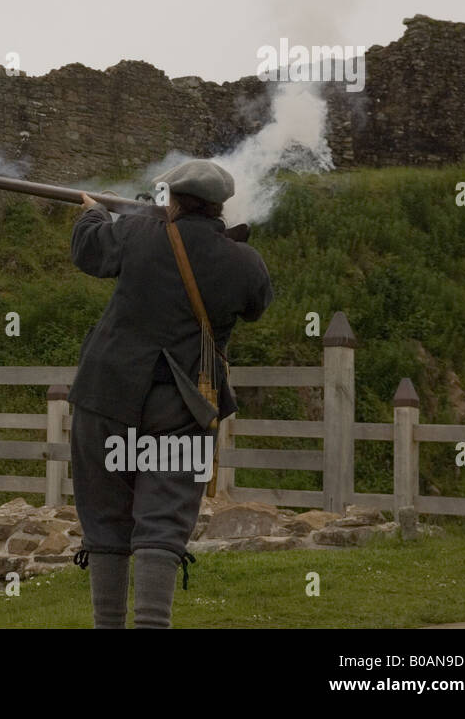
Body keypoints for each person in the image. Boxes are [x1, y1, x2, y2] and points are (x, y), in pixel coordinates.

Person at [68, 159, 272, 628]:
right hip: (185, 404)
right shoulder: (244, 260)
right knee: (161, 523)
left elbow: (88, 251)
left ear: (173, 200)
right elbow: (256, 304)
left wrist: (93, 213)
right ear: (219, 206)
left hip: (107, 396)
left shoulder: (139, 233)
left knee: (106, 519)